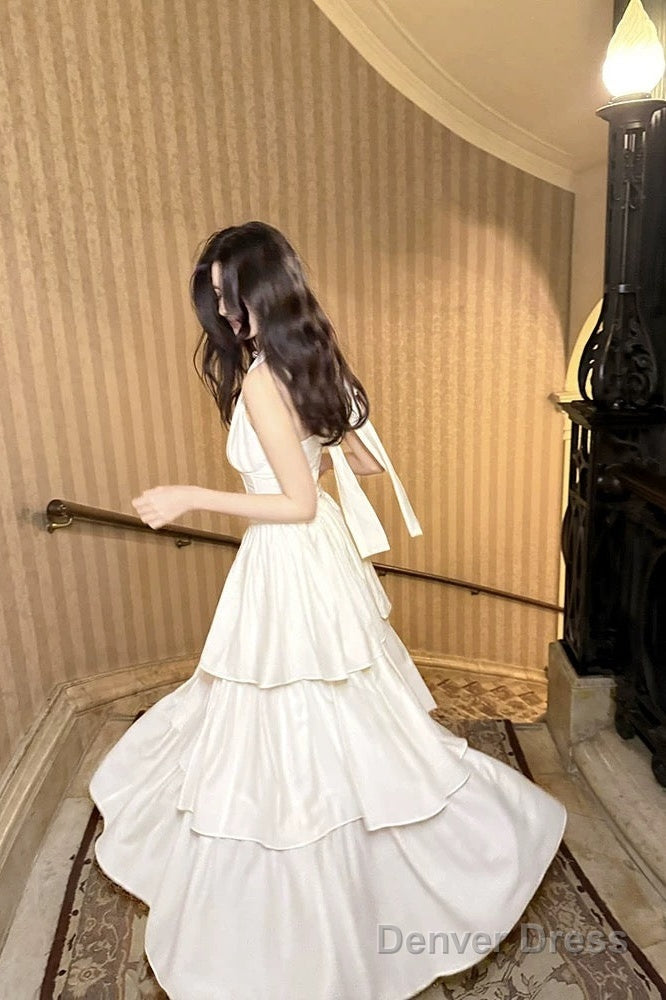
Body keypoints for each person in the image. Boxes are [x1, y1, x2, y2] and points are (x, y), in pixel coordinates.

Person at [89, 221, 567, 1000]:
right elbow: (366, 462)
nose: (224, 313)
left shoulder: (261, 379)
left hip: (292, 555)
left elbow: (299, 503)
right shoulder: (299, 360)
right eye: (217, 297)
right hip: (315, 562)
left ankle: (328, 902)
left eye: (233, 296)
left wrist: (190, 495)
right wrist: (333, 427)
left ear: (265, 291)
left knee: (295, 713)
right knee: (328, 716)